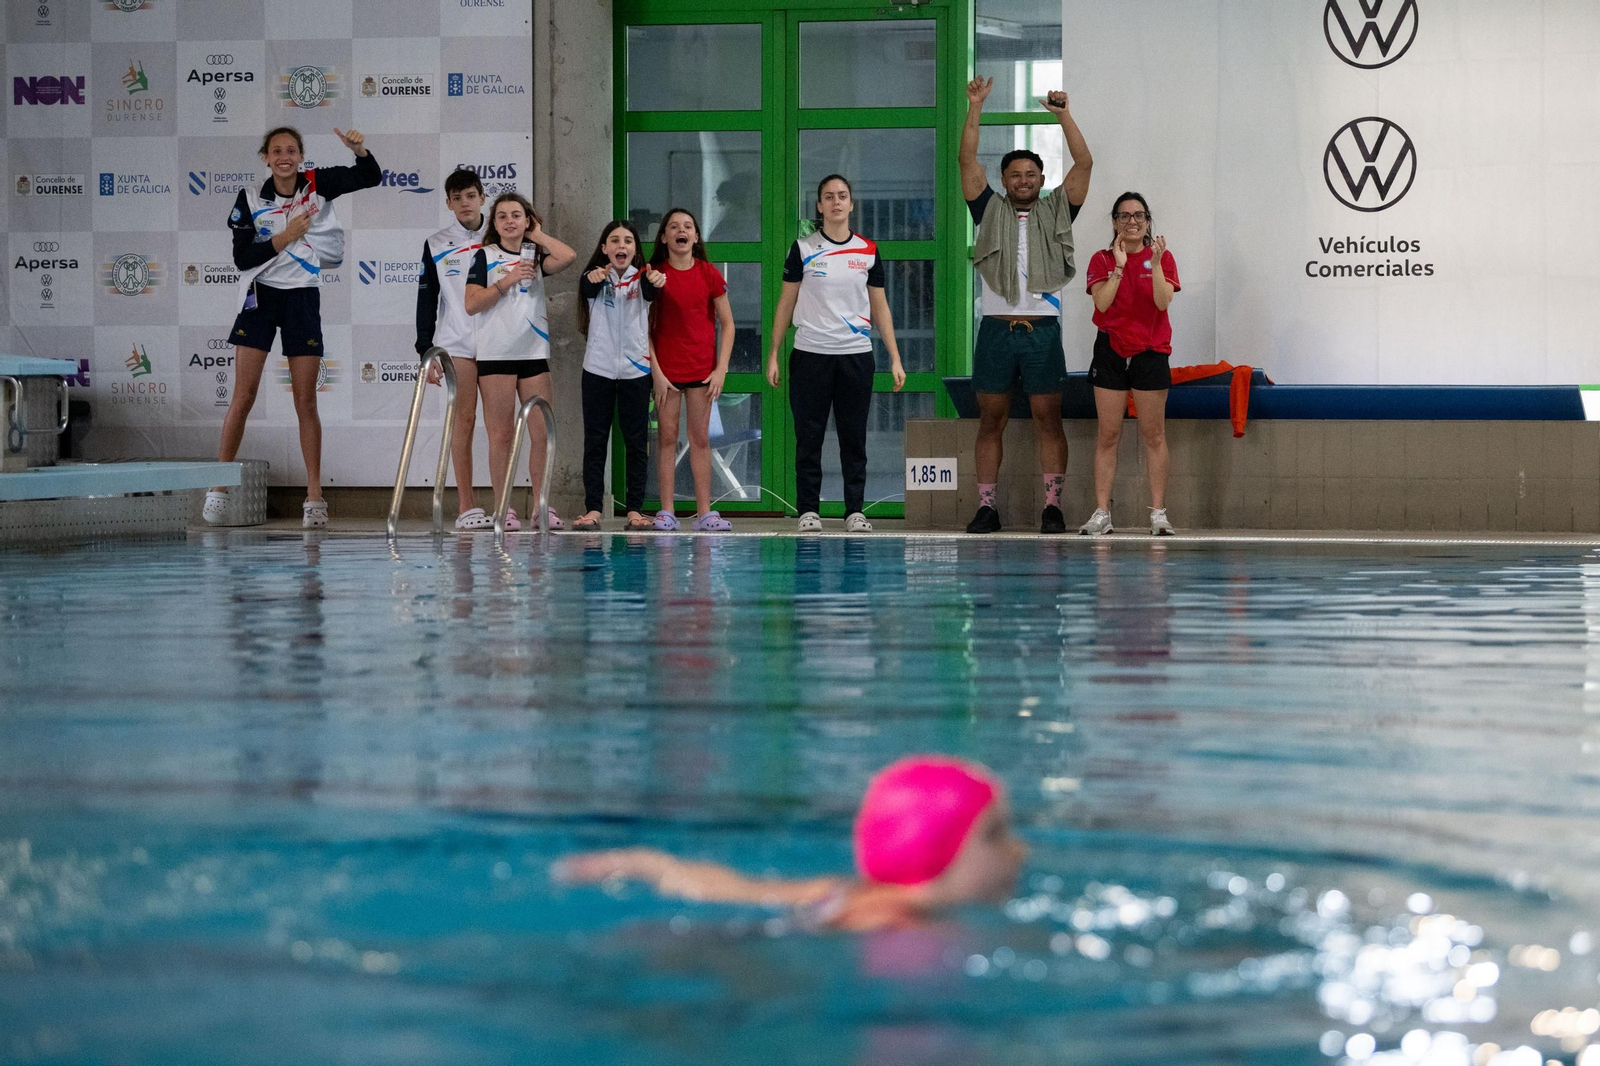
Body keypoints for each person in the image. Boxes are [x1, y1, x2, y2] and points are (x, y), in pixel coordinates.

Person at [554, 756, 1027, 933]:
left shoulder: (843, 891)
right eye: (995, 834)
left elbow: (742, 891)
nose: (1018, 850)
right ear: (937, 848)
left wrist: (646, 863)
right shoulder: (892, 923)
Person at [205, 125, 380, 529]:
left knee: (306, 400)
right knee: (243, 395)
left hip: (302, 297)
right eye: (276, 151)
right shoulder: (250, 197)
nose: (284, 157)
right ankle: (218, 488)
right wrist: (285, 237)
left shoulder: (317, 184)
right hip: (261, 296)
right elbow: (242, 258)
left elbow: (370, 176)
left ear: (301, 156)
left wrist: (359, 150)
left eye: (291, 150)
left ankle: (314, 496)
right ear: (266, 158)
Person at [958, 78, 1093, 535]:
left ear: (1041, 179)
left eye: (1031, 174)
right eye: (1015, 174)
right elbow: (967, 160)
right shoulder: (987, 209)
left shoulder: (1058, 210)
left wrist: (1063, 115)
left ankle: (1052, 508)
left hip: (1043, 330)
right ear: (1003, 181)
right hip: (996, 330)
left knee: (1047, 419)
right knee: (990, 420)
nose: (1023, 180)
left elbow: (1084, 163)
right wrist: (975, 106)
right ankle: (987, 508)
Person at [766, 175, 906, 534]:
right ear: (819, 206)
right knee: (809, 437)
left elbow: (880, 307)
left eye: (842, 196)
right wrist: (774, 352)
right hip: (810, 355)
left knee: (853, 437)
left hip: (855, 356)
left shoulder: (868, 251)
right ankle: (808, 511)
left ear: (851, 204)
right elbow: (786, 303)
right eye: (828, 197)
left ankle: (854, 511)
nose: (836, 202)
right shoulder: (802, 248)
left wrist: (894, 357)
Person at [463, 193, 576, 531]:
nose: (510, 221)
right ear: (494, 224)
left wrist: (537, 235)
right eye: (502, 216)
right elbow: (471, 304)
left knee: (542, 434)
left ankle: (541, 505)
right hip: (496, 355)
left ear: (527, 220)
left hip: (533, 355)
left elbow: (568, 256)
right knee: (501, 436)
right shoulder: (485, 256)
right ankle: (503, 507)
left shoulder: (535, 256)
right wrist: (507, 280)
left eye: (517, 215)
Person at [1079, 193, 1179, 537]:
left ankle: (1158, 514)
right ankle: (1102, 513)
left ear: (1148, 221)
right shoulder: (1102, 259)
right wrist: (1120, 267)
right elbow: (1102, 304)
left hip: (1150, 352)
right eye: (1124, 216)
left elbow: (1162, 302)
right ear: (1114, 222)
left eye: (1138, 215)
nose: (1132, 221)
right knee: (1108, 435)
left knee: (1154, 435)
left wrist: (1157, 263)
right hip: (1110, 351)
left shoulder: (1162, 257)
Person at [644, 208, 735, 532]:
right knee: (667, 439)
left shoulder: (709, 273)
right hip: (666, 373)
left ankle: (705, 512)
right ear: (664, 237)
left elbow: (728, 324)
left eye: (687, 226)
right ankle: (666, 511)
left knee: (699, 440)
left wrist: (721, 369)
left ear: (696, 236)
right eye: (673, 226)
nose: (680, 230)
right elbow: (644, 327)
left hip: (701, 371)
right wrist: (656, 373)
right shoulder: (655, 275)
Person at [416, 168, 492, 530]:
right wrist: (425, 349)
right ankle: (466, 506)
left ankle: (503, 505)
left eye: (471, 196)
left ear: (483, 198)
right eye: (457, 198)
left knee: (500, 426)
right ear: (448, 203)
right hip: (456, 344)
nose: (465, 203)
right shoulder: (436, 243)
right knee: (464, 421)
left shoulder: (500, 236)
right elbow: (426, 301)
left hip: (498, 344)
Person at [573, 220, 656, 532]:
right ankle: (593, 509)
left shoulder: (644, 279)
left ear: (635, 249)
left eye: (628, 241)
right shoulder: (593, 277)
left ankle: (635, 510)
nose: (622, 245)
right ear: (605, 247)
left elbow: (653, 290)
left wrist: (656, 279)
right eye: (615, 240)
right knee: (595, 442)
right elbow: (587, 286)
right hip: (598, 371)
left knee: (636, 444)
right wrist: (593, 277)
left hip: (636, 372)